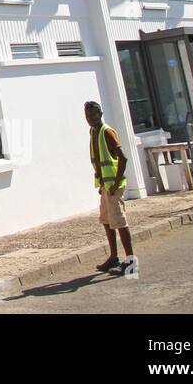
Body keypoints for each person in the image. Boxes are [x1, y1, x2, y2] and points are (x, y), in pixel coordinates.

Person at [85, 101, 136, 274]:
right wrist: (102, 184)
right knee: (107, 221)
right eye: (87, 116)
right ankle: (113, 257)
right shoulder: (93, 132)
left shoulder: (107, 132)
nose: (90, 119)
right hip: (105, 186)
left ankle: (130, 263)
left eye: (92, 115)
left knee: (119, 222)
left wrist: (115, 182)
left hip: (114, 186)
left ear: (100, 114)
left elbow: (123, 159)